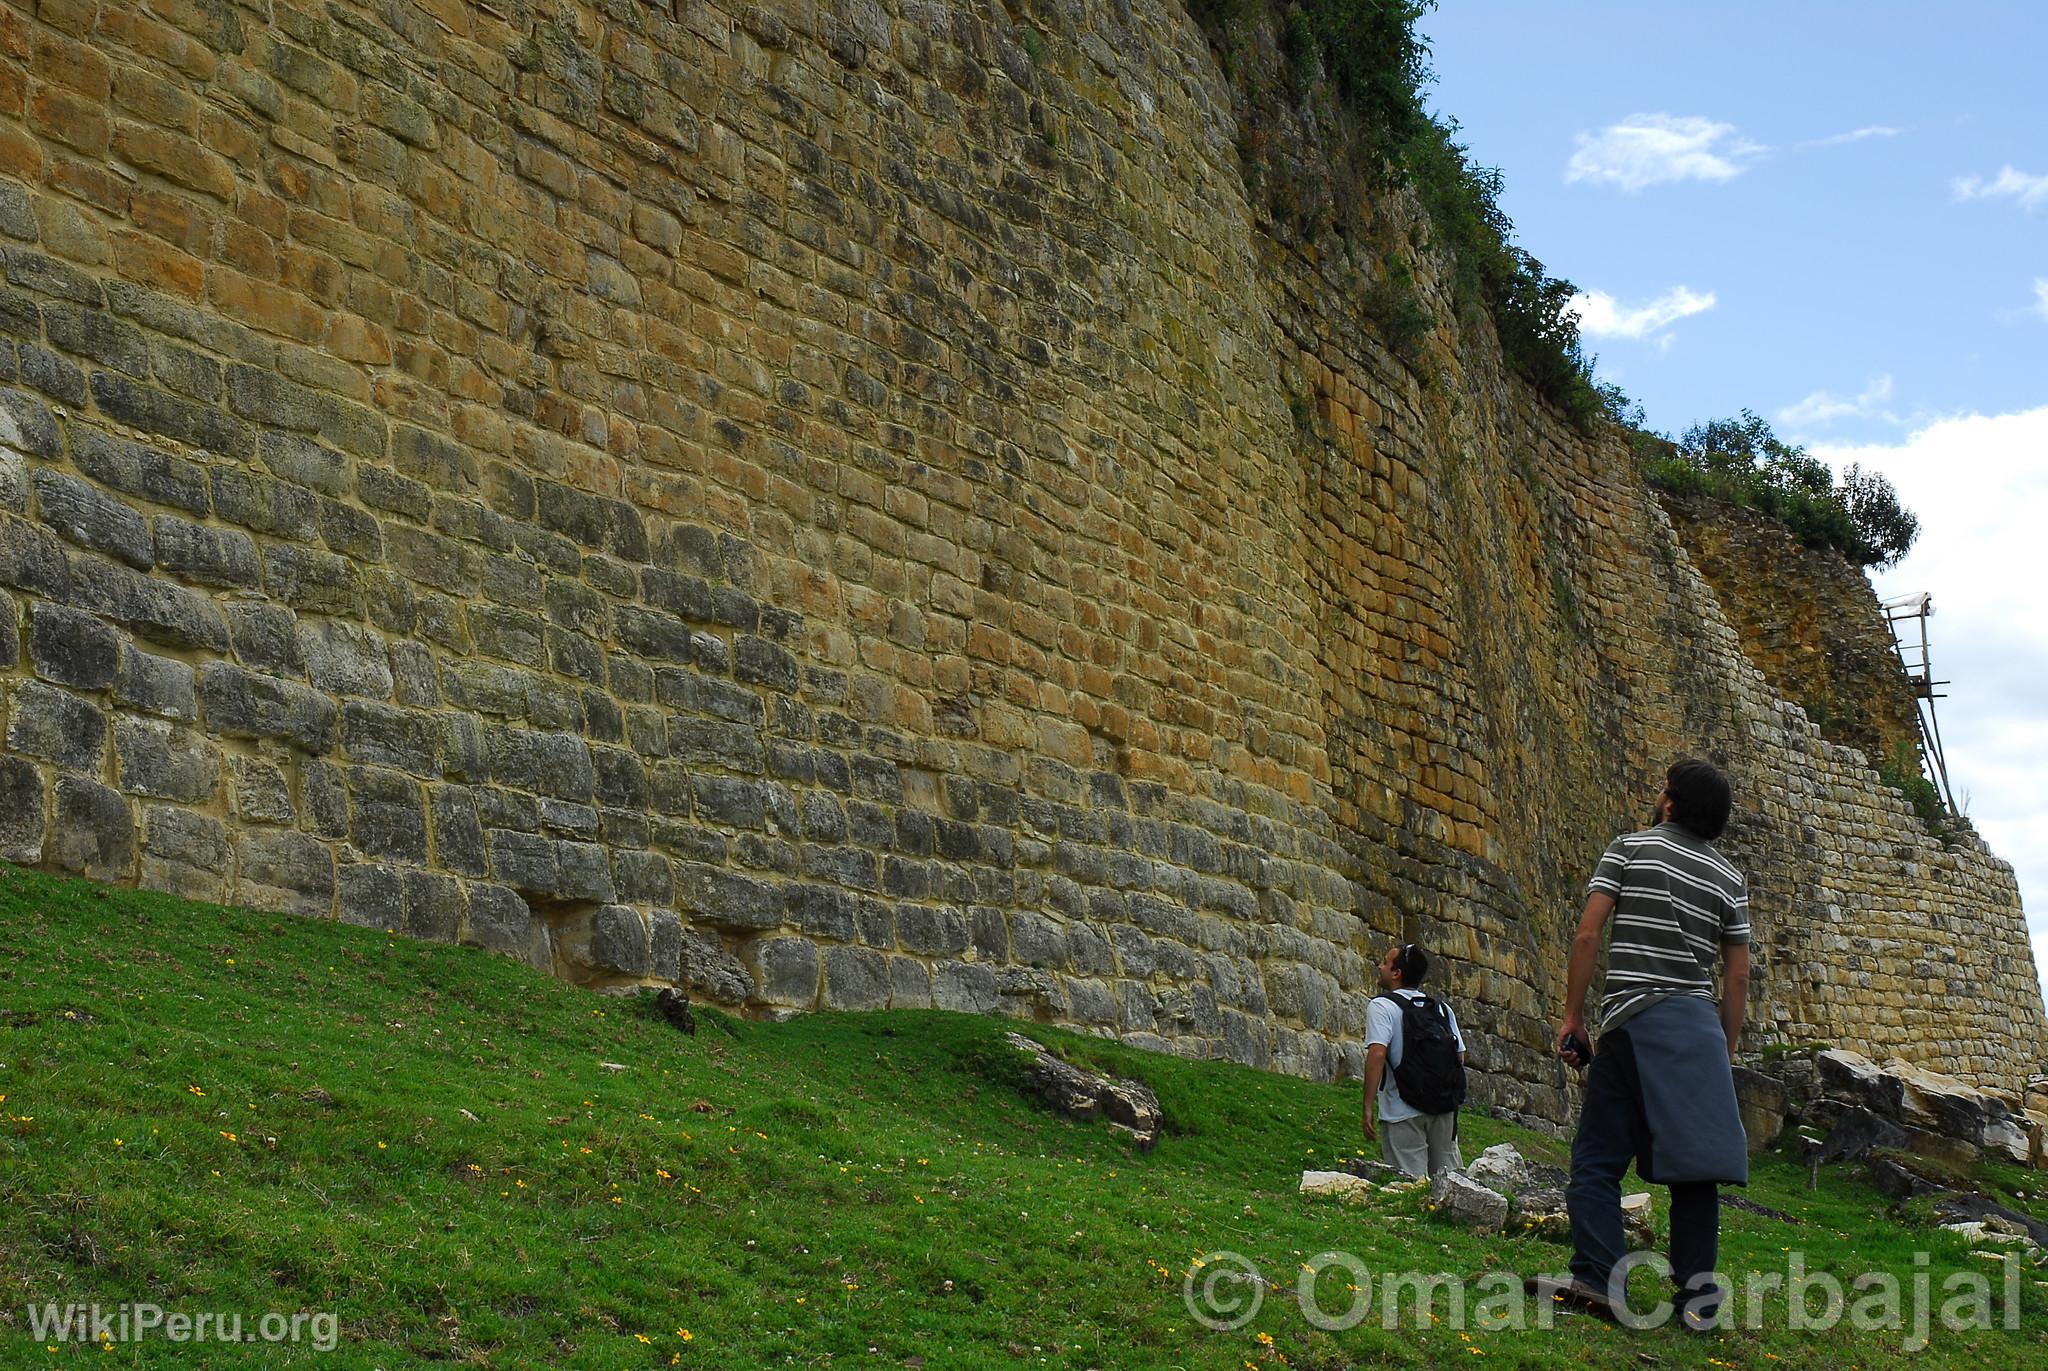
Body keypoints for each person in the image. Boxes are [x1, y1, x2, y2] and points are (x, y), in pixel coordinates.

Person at [1546, 758, 1752, 1331]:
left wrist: (1574, 1016)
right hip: (1700, 1034)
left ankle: (1597, 1276)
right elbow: (1737, 978)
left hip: (1634, 1020)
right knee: (1696, 1172)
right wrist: (1724, 1051)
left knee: (1597, 1160)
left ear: (1670, 803)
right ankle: (1697, 1303)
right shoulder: (1729, 880)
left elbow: (1589, 933)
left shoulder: (1630, 849)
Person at [1362, 943, 1467, 1178]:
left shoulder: (1381, 1006)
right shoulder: (1441, 1009)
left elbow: (1377, 1054)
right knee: (1451, 1184)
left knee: (1409, 1186)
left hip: (1401, 1111)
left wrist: (1368, 1105)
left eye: (1385, 962)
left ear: (1396, 973)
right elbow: (1459, 1056)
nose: (1380, 966)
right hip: (1443, 1109)